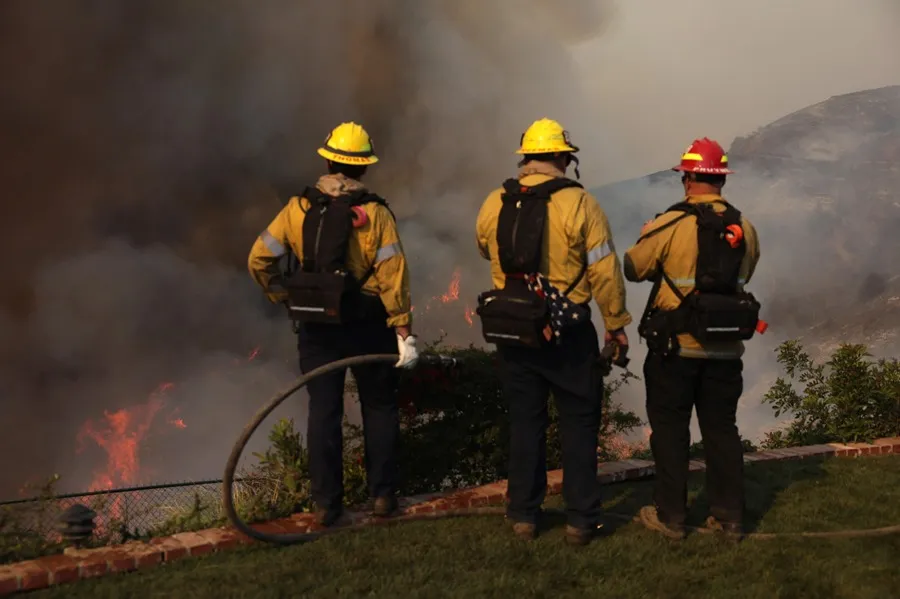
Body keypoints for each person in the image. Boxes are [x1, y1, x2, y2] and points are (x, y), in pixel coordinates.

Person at [247, 121, 418, 527]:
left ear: (326, 162)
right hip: (367, 323)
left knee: (324, 410)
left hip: (317, 324)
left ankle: (326, 504)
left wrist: (283, 296)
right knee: (379, 406)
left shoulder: (298, 209)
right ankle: (382, 496)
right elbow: (393, 275)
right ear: (364, 167)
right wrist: (403, 330)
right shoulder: (375, 214)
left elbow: (258, 259)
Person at [474, 118, 632, 546]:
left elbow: (484, 248)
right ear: (563, 157)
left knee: (525, 422)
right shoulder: (580, 204)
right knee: (578, 423)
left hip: (514, 329)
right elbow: (604, 271)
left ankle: (524, 515)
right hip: (568, 331)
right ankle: (581, 520)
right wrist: (615, 325)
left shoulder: (494, 201)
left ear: (526, 157)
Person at [623, 138, 762, 540]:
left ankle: (671, 517)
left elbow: (633, 268)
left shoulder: (671, 223)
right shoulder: (744, 228)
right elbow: (746, 274)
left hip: (675, 350)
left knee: (670, 431)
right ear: (721, 180)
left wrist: (647, 236)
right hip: (725, 350)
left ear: (687, 179)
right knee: (722, 430)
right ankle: (731, 517)